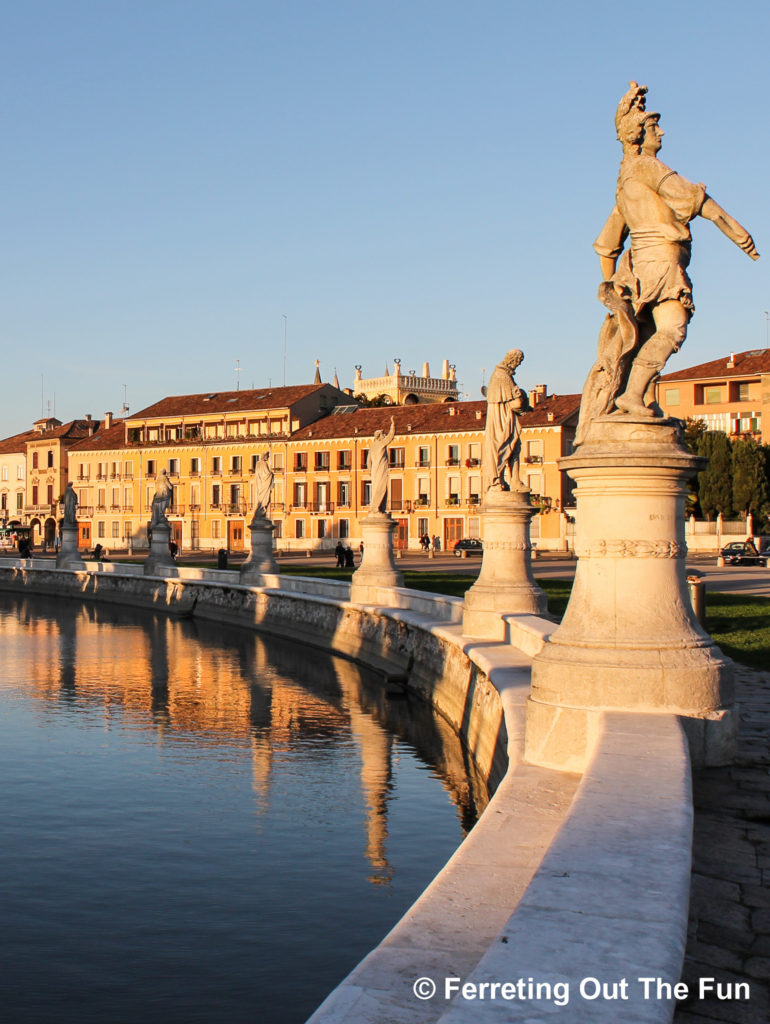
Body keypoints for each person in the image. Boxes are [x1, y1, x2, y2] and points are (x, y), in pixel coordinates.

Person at [577, 82, 759, 442]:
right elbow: (699, 202)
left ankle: (636, 395)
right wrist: (740, 234)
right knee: (672, 330)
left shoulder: (626, 180)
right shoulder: (649, 168)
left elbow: (606, 245)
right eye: (654, 126)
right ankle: (632, 394)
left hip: (641, 269)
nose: (661, 131)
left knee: (647, 334)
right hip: (662, 266)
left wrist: (612, 288)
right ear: (638, 136)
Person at [481, 349, 529, 493]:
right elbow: (517, 404)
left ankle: (513, 481)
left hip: (505, 419)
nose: (517, 365)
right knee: (503, 448)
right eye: (518, 362)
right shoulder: (502, 377)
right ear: (512, 360)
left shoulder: (502, 376)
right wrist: (524, 399)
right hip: (501, 421)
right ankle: (499, 480)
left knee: (513, 447)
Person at [367, 418, 396, 513]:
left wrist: (370, 471)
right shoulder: (380, 444)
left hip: (375, 471)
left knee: (377, 488)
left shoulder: (373, 447)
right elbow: (390, 436)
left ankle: (377, 507)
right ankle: (377, 507)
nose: (384, 436)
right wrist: (393, 424)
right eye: (383, 434)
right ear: (379, 436)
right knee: (382, 488)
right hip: (380, 469)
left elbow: (368, 461)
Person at [252, 452, 274, 520]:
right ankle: (261, 510)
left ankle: (259, 510)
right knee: (264, 500)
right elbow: (267, 474)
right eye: (267, 456)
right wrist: (271, 474)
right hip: (263, 485)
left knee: (260, 499)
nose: (268, 458)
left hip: (259, 485)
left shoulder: (258, 464)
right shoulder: (263, 463)